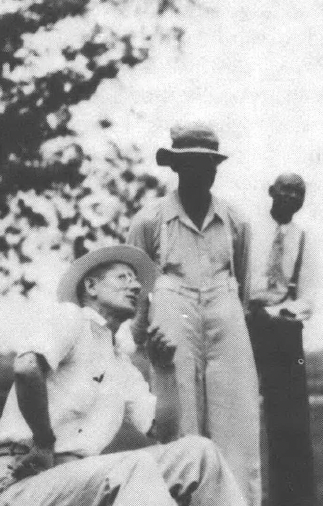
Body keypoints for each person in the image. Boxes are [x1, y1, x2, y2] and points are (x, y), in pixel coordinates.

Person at [0, 244, 246, 506]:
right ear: (91, 287)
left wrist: (165, 369)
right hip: (25, 482)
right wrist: (43, 442)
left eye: (136, 281)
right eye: (123, 277)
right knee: (136, 466)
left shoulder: (120, 363)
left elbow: (166, 433)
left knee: (198, 454)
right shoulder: (71, 318)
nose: (135, 287)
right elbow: (27, 367)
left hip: (82, 481)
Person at [127, 123, 260, 506]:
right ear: (177, 168)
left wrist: (231, 313)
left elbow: (244, 285)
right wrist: (137, 336)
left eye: (210, 164)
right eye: (193, 164)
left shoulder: (235, 221)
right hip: (172, 308)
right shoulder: (150, 221)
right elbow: (139, 287)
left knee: (236, 419)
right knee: (179, 417)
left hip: (224, 308)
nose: (203, 173)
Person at [248, 173, 316, 506]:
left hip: (284, 332)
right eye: (285, 190)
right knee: (241, 413)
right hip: (247, 325)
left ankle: (290, 498)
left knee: (290, 421)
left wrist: (280, 313)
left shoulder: (303, 239)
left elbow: (308, 298)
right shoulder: (249, 232)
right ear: (271, 191)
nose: (291, 196)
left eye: (299, 193)